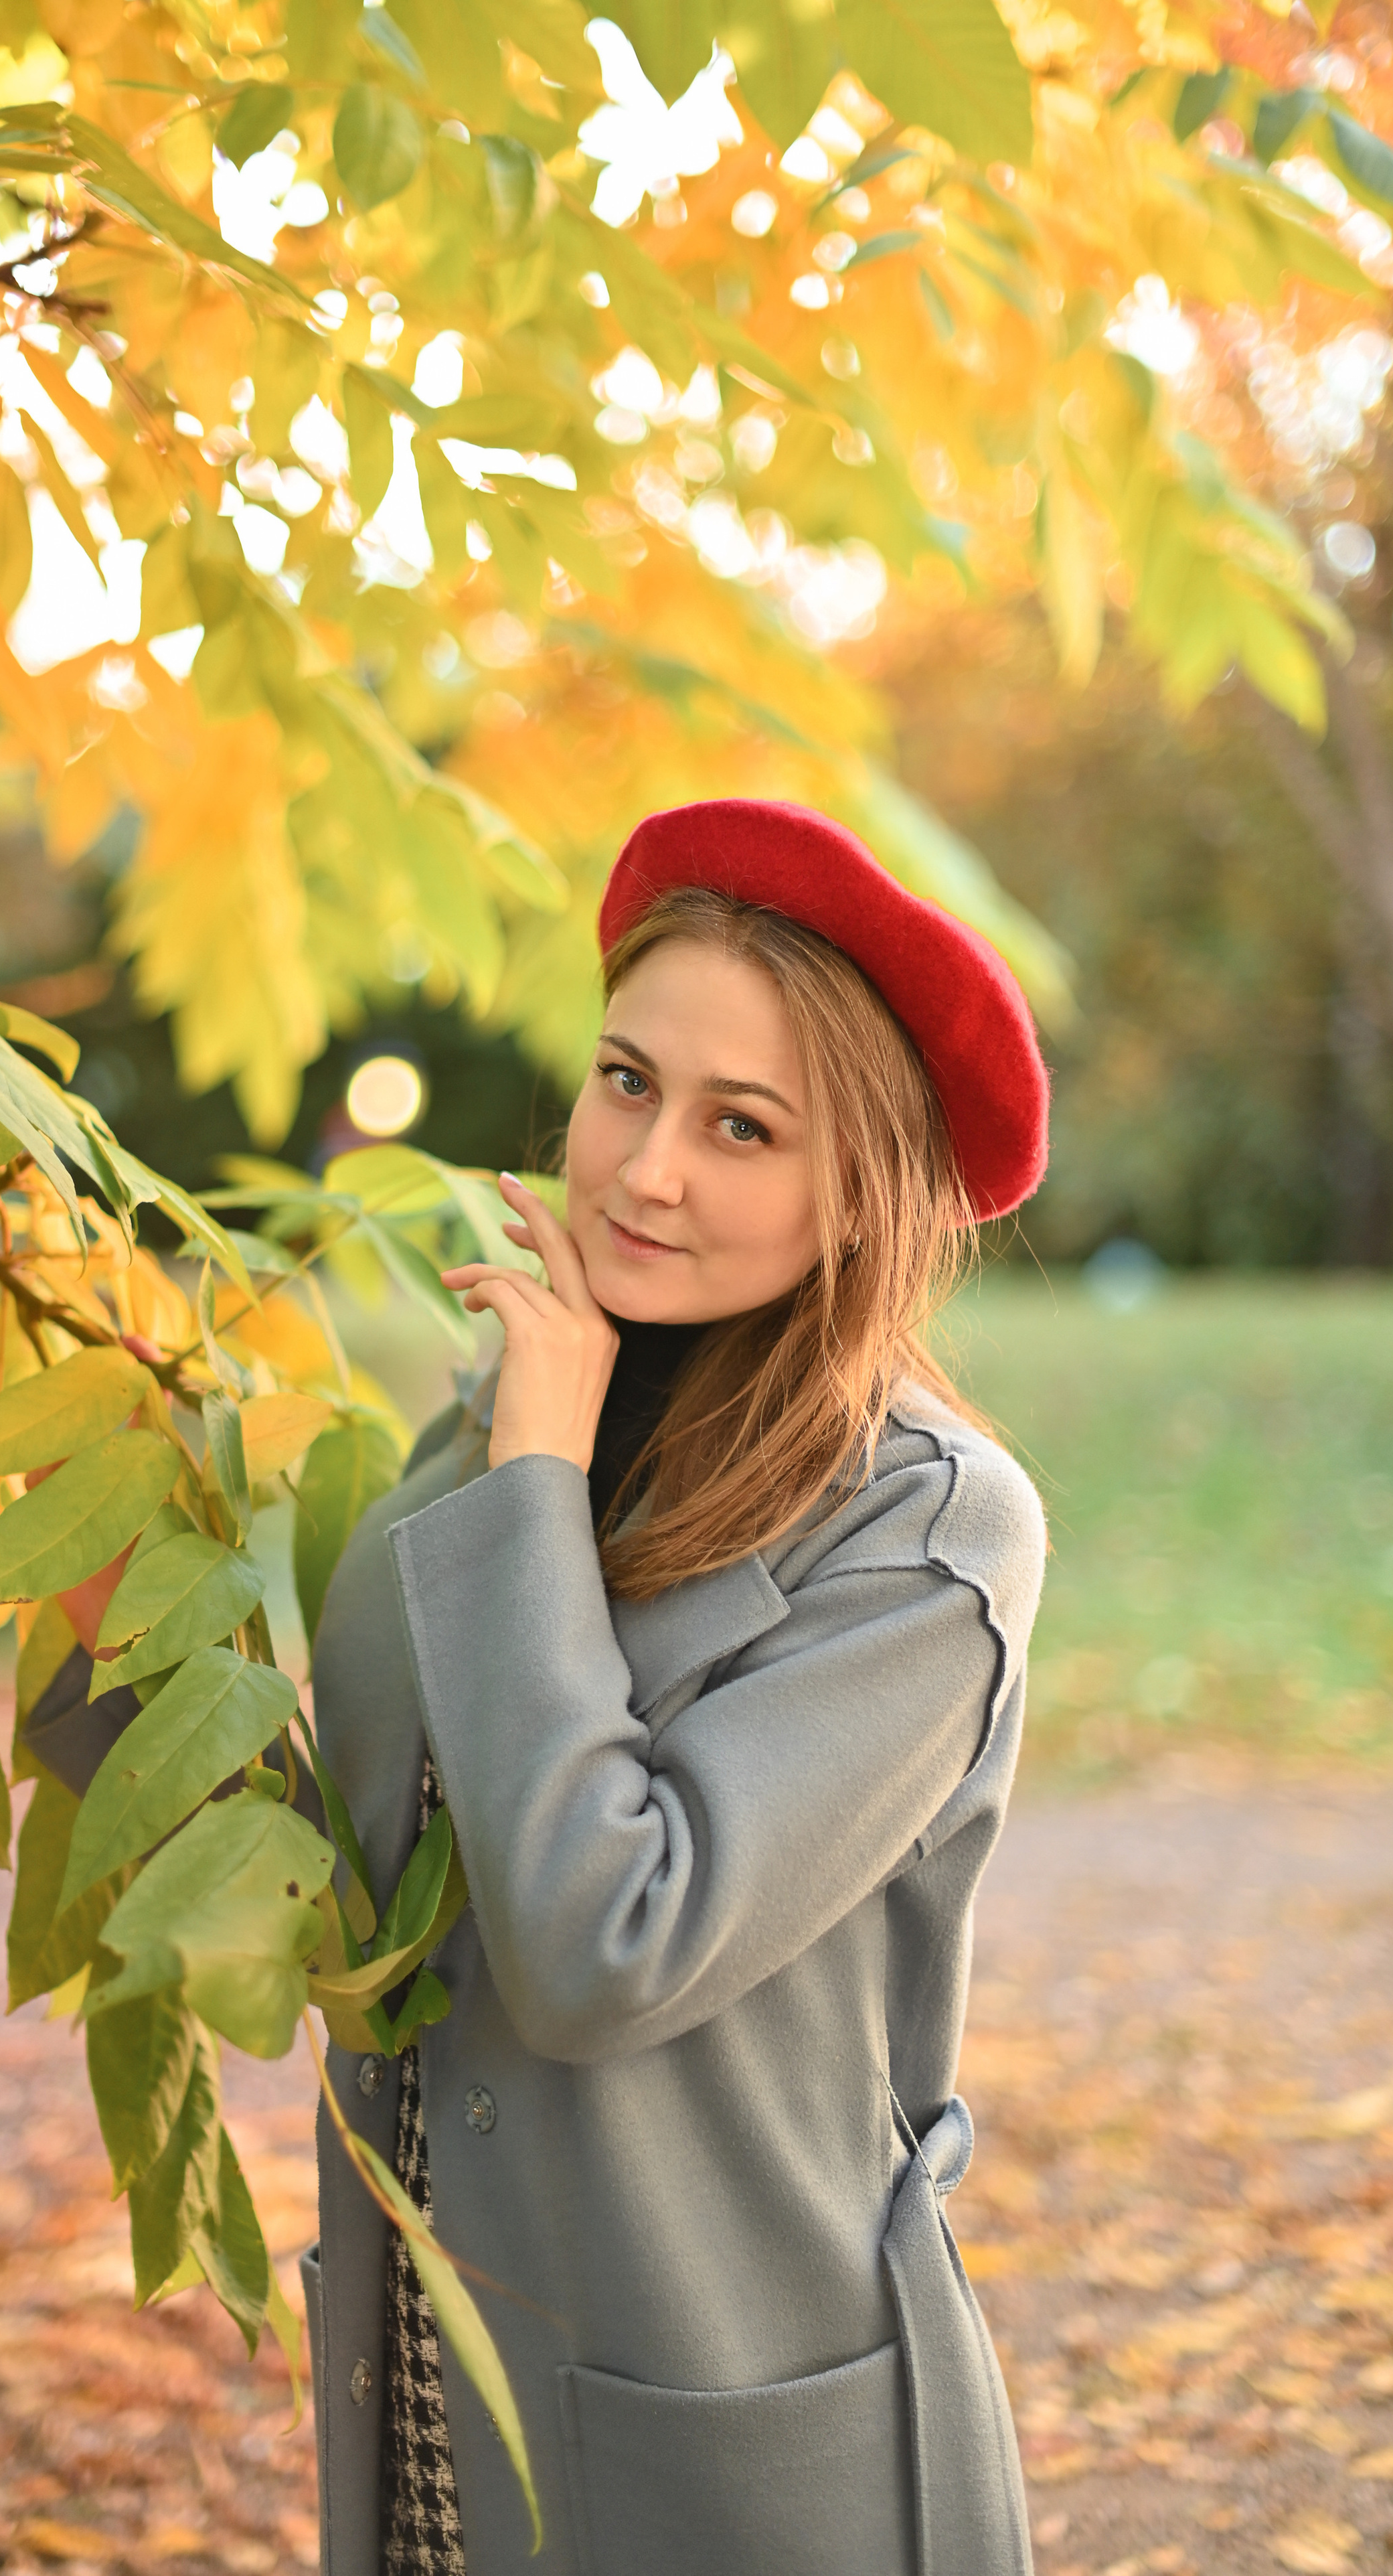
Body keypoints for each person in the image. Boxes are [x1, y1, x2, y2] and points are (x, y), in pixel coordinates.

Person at [303, 798, 1050, 2576]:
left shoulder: (927, 1533)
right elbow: (359, 1883)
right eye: (629, 1083)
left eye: (742, 1127)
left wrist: (535, 1475)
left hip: (713, 2432)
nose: (644, 1170)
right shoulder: (508, 1421)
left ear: (857, 1182)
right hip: (438, 2363)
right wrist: (108, 1643)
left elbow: (594, 1943)